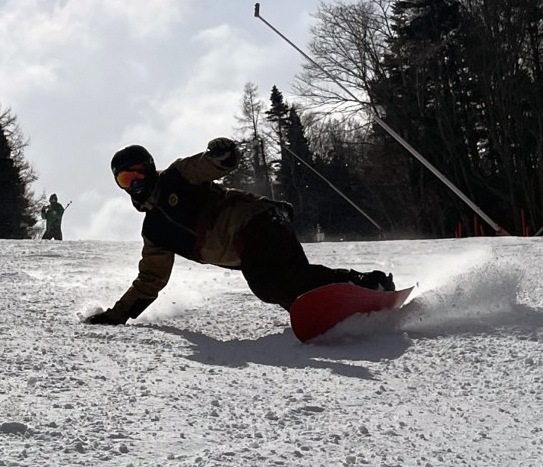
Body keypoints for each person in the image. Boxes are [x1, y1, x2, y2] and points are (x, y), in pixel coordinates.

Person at [85, 138, 393, 326]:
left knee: (268, 284)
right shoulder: (155, 233)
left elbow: (212, 164)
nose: (136, 182)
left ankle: (362, 285)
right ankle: (361, 293)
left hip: (255, 221)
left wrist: (223, 152)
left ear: (151, 168)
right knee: (293, 289)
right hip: (260, 234)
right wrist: (116, 315)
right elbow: (150, 281)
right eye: (126, 179)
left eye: (139, 172)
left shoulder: (178, 177)